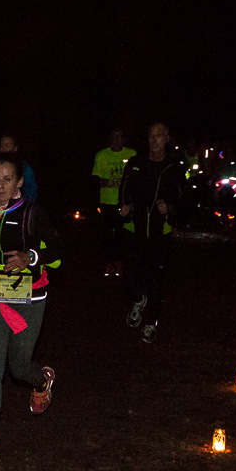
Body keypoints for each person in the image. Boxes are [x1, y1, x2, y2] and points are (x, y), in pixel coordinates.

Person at [0, 152, 63, 462]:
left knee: (18, 366)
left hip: (29, 297)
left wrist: (30, 257)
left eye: (7, 179)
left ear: (19, 182)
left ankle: (41, 381)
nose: (0, 185)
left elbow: (57, 248)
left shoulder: (32, 213)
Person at [118, 122, 184, 344]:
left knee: (156, 280)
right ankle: (138, 301)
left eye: (159, 135)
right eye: (151, 135)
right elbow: (124, 189)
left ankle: (151, 323)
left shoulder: (173, 167)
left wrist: (170, 208)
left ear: (166, 138)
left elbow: (183, 198)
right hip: (134, 229)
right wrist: (125, 206)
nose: (154, 140)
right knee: (130, 275)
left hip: (159, 231)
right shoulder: (136, 163)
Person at [91, 128, 137, 276]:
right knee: (107, 234)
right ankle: (109, 262)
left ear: (124, 139)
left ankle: (120, 262)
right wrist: (109, 182)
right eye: (114, 137)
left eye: (119, 137)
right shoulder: (102, 155)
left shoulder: (131, 154)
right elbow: (96, 178)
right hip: (107, 201)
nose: (116, 140)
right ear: (110, 139)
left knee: (123, 233)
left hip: (125, 202)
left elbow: (137, 176)